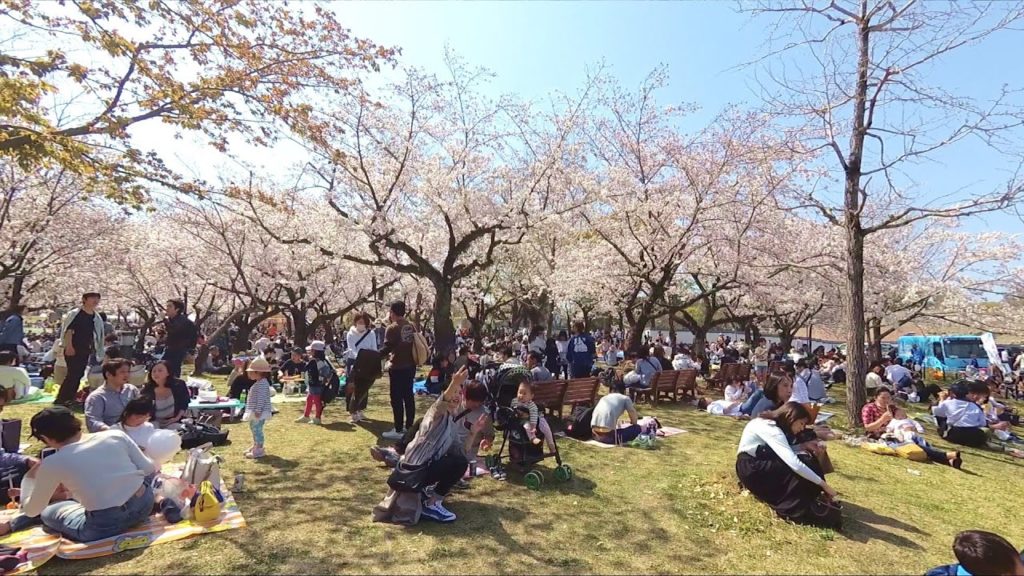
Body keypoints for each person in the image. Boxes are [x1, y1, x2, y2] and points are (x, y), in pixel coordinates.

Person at [18, 406, 158, 542]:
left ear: (45, 438)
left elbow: (32, 510)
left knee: (48, 512)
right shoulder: (115, 435)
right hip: (144, 503)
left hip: (105, 523)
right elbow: (148, 468)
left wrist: (28, 478)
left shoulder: (52, 463)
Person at [373, 367, 476, 525]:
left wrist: (473, 434)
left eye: (459, 393)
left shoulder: (452, 421)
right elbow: (440, 404)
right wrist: (454, 383)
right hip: (413, 472)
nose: (456, 396)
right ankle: (432, 504)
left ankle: (429, 497)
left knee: (459, 461)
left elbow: (460, 452)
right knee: (458, 462)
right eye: (454, 392)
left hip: (423, 470)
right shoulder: (435, 414)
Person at [735, 402, 840, 529]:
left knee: (806, 459)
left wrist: (803, 446)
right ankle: (796, 507)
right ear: (791, 418)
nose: (802, 428)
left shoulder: (768, 423)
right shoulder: (772, 429)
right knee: (803, 463)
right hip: (752, 469)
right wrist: (823, 484)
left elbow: (778, 450)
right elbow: (794, 464)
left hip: (755, 463)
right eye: (801, 423)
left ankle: (809, 499)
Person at [56, 292, 105, 407]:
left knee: (79, 374)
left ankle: (70, 397)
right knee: (73, 373)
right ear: (85, 299)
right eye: (92, 298)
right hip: (73, 347)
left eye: (97, 298)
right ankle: (62, 398)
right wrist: (69, 346)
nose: (95, 301)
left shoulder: (96, 317)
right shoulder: (76, 314)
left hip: (85, 348)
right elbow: (69, 331)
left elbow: (96, 335)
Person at [379, 301, 416, 440]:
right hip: (411, 365)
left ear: (392, 312)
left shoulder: (392, 328)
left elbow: (387, 348)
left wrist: (375, 356)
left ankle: (398, 428)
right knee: (408, 396)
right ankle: (410, 426)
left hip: (398, 366)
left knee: (396, 398)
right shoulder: (411, 326)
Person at [884, 406, 962, 468]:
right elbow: (886, 429)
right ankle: (945, 456)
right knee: (915, 446)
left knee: (925, 445)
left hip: (910, 434)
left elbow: (916, 424)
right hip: (897, 438)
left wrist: (916, 429)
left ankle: (949, 461)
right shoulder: (893, 420)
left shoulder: (906, 419)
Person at [84, 359, 140, 433]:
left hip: (136, 430)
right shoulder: (97, 397)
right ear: (108, 375)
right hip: (111, 436)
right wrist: (113, 431)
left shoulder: (132, 390)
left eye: (128, 372)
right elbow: (93, 422)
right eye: (122, 372)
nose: (127, 375)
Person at [346, 312, 379, 424]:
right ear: (355, 322)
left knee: (364, 386)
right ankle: (352, 411)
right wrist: (358, 358)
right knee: (352, 386)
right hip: (354, 362)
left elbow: (374, 348)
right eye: (359, 322)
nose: (361, 324)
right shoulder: (350, 333)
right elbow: (351, 349)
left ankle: (359, 409)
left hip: (367, 362)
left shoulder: (371, 334)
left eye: (363, 322)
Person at [933, 382, 988, 447]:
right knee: (983, 432)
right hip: (973, 437)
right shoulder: (975, 406)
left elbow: (938, 413)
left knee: (941, 419)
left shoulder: (947, 403)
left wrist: (941, 400)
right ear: (967, 393)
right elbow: (983, 423)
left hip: (953, 435)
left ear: (953, 393)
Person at [140, 361, 190, 429]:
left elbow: (184, 403)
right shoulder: (147, 389)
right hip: (154, 422)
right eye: (154, 371)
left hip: (174, 421)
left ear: (168, 373)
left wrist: (176, 418)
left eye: (160, 370)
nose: (156, 373)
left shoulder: (179, 385)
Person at [590, 380, 640, 444]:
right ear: (624, 391)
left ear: (610, 390)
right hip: (609, 437)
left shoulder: (603, 398)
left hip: (594, 435)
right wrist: (634, 424)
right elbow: (632, 414)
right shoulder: (625, 398)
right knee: (637, 428)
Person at [243, 357, 273, 458]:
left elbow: (261, 398)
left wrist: (258, 410)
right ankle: (256, 445)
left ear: (258, 372)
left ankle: (259, 449)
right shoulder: (259, 383)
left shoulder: (263, 384)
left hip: (259, 412)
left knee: (257, 429)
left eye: (251, 372)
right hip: (256, 411)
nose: (249, 374)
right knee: (253, 428)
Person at [295, 341, 329, 425]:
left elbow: (305, 368)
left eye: (312, 350)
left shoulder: (314, 361)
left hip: (315, 384)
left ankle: (317, 418)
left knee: (317, 401)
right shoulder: (322, 361)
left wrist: (302, 360)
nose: (310, 352)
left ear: (316, 351)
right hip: (316, 384)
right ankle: (306, 416)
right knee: (309, 399)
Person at [162, 299, 197, 379]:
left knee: (172, 369)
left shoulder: (182, 320)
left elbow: (174, 330)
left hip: (178, 349)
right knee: (165, 367)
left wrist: (165, 320)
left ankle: (174, 387)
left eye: (170, 306)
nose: (167, 308)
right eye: (167, 306)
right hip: (171, 348)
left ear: (177, 309)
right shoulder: (172, 320)